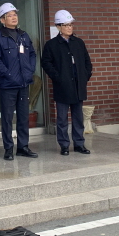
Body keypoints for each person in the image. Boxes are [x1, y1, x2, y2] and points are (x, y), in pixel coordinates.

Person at [0, 3, 38, 161]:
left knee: (23, 117)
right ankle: (8, 148)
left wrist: (30, 70)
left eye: (15, 14)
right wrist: (8, 74)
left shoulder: (24, 35)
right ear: (2, 20)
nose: (14, 17)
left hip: (24, 83)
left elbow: (32, 54)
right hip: (8, 84)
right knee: (7, 118)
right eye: (9, 15)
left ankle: (23, 147)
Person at [42, 10, 93, 155]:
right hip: (62, 87)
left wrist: (85, 76)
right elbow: (46, 63)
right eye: (66, 25)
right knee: (62, 119)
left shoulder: (79, 43)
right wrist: (58, 78)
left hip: (78, 86)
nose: (69, 28)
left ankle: (79, 144)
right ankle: (64, 145)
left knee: (78, 117)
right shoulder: (51, 45)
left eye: (71, 25)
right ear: (58, 27)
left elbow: (87, 62)